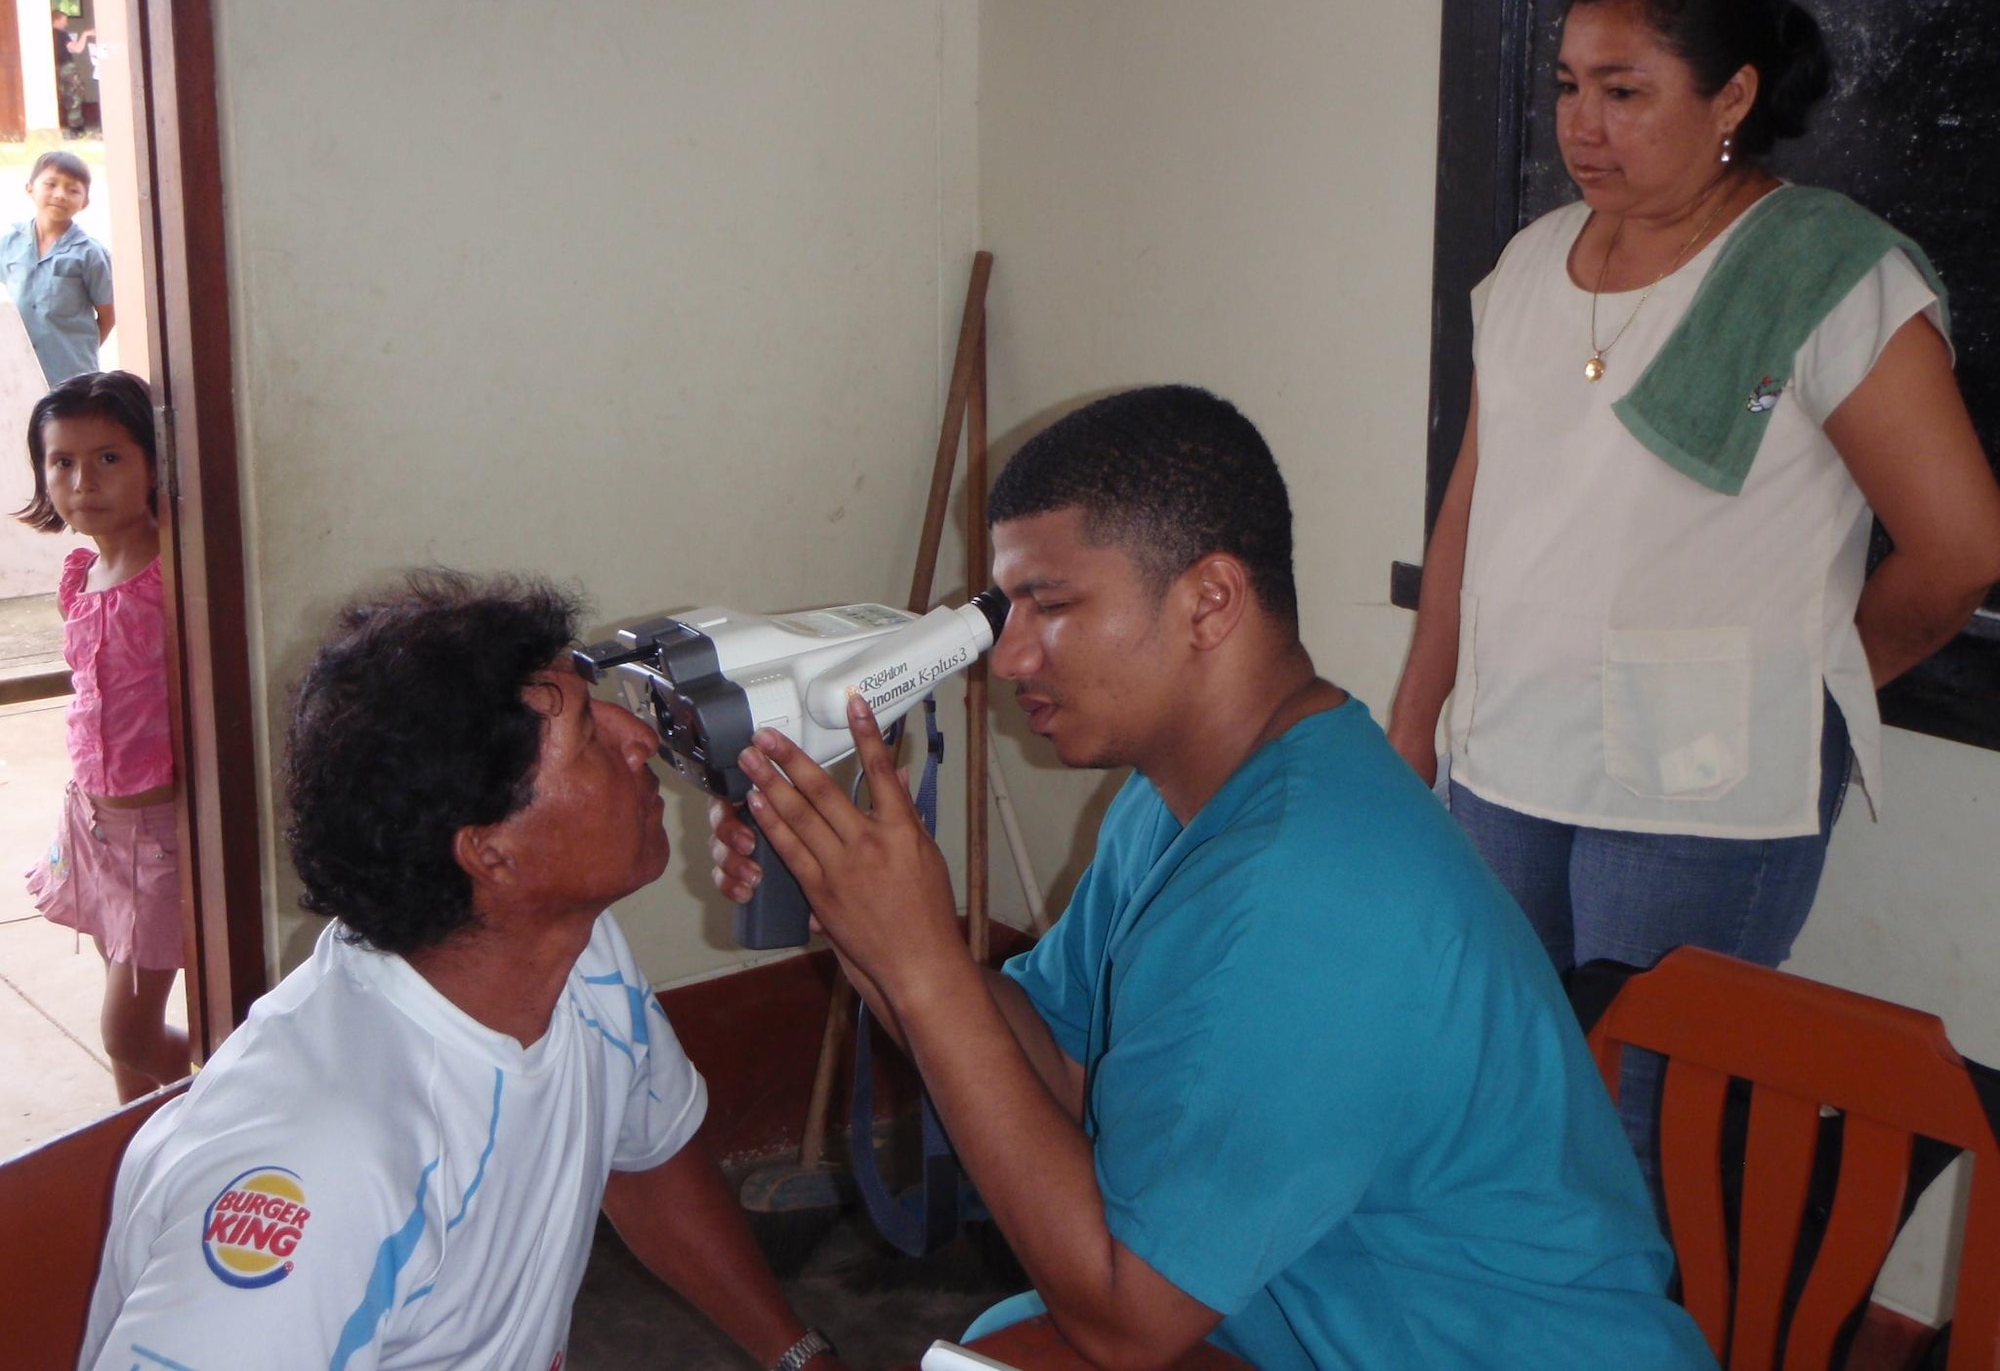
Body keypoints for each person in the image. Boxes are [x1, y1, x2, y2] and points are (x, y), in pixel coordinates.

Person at [712, 386, 1712, 1369]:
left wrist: (925, 967)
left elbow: (1126, 1322)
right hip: (1293, 1326)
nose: (1008, 656)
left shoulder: (1306, 884)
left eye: (1046, 605)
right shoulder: (1179, 799)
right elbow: (1053, 1067)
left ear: (1209, 601)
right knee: (990, 1347)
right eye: (1003, 609)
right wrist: (855, 912)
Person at [1386, 0, 2000, 1184]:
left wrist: (1810, 687)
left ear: (1730, 97)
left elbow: (1956, 551)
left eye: (1624, 91)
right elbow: (1474, 505)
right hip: (1509, 755)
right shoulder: (1525, 267)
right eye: (1567, 85)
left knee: (1637, 1138)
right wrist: (1415, 716)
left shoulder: (1826, 274)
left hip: (1697, 790)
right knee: (1505, 1091)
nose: (1582, 124)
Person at [81, 571, 846, 1371]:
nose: (640, 738)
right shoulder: (329, 1160)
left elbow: (643, 1155)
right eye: (588, 734)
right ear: (489, 851)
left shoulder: (573, 953)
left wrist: (800, 1357)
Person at [16, 370, 187, 1104]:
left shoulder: (173, 576)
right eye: (62, 462)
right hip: (93, 823)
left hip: (158, 834)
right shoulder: (83, 570)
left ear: (154, 462)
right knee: (119, 1006)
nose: (83, 480)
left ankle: (231, 1093)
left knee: (128, 1030)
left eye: (109, 458)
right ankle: (137, 1137)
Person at [0, 149, 115, 385]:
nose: (60, 195)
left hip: (70, 374)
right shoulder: (10, 243)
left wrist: (77, 352)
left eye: (73, 190)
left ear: (85, 202)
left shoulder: (90, 254)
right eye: (51, 184)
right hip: (18, 371)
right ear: (30, 188)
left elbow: (108, 315)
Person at [52, 10, 94, 136]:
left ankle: (72, 126)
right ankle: (76, 127)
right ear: (57, 20)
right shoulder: (62, 34)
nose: (66, 23)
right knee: (75, 94)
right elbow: (77, 48)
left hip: (56, 68)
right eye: (64, 20)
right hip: (66, 68)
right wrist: (86, 34)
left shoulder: (48, 34)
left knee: (66, 96)